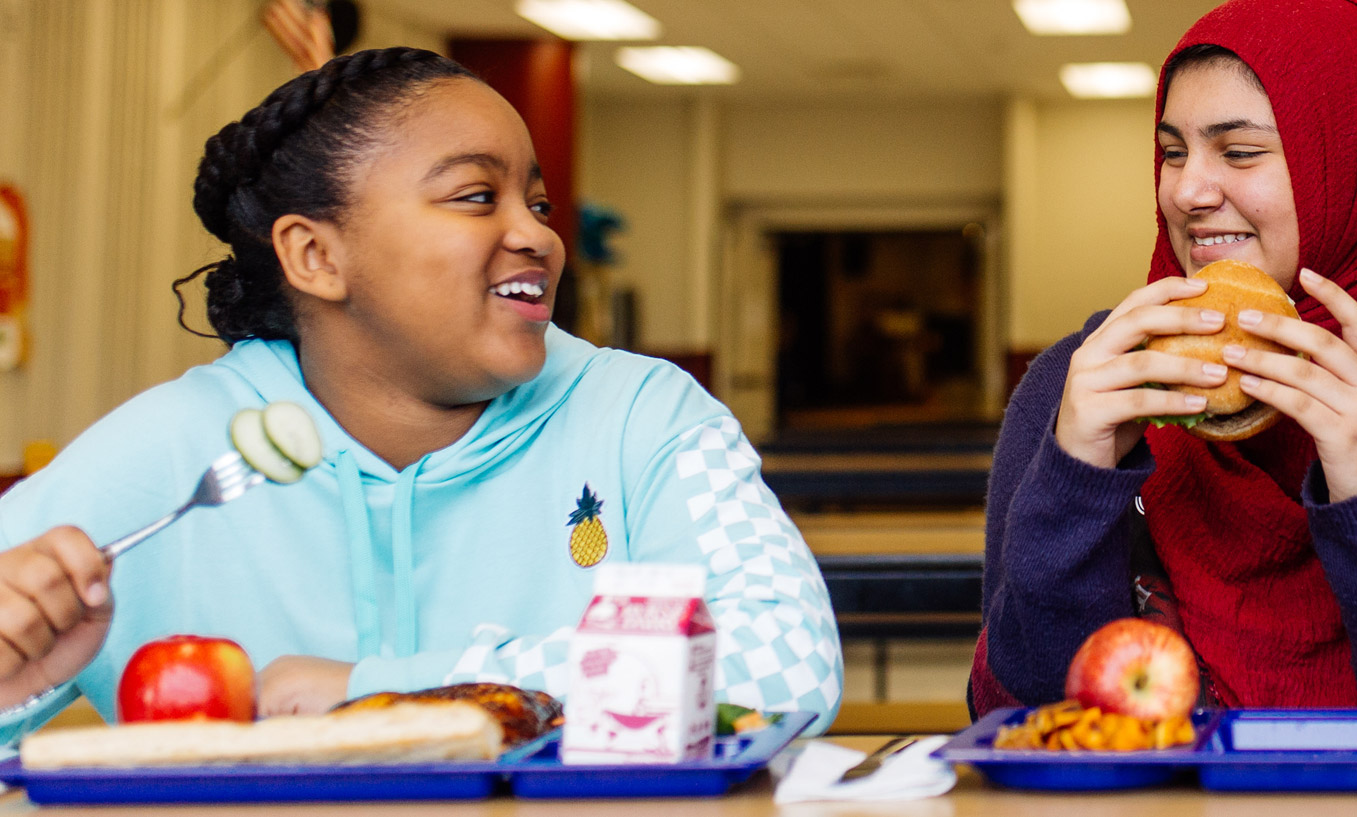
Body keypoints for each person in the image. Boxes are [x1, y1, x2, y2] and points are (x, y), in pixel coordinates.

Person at [0, 47, 841, 742]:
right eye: (477, 196)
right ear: (316, 256)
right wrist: (14, 684)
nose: (538, 235)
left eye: (537, 201)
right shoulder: (173, 452)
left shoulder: (641, 415)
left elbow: (788, 668)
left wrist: (380, 691)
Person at [972, 0, 1357, 714]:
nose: (1185, 191)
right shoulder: (1087, 384)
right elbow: (1012, 718)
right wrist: (1074, 483)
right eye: (1173, 152)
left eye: (1239, 151)